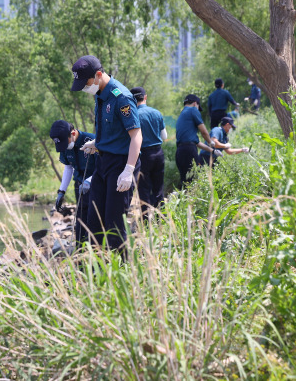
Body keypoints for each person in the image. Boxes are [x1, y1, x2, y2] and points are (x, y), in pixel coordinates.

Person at [70, 55, 142, 255]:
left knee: (114, 223)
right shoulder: (99, 94)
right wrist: (97, 143)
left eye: (86, 84)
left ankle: (121, 272)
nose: (85, 88)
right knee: (94, 220)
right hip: (103, 162)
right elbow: (108, 128)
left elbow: (136, 136)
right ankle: (96, 271)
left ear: (99, 75)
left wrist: (128, 170)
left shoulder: (122, 97)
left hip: (121, 164)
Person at [49, 120, 97, 246]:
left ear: (73, 133)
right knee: (80, 221)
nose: (65, 146)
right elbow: (68, 167)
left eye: (66, 142)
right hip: (80, 186)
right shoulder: (64, 146)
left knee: (94, 220)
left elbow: (103, 166)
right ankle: (80, 255)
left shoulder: (92, 140)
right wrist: (61, 191)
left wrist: (89, 181)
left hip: (97, 184)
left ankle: (96, 253)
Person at [130, 86, 167, 218]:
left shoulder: (133, 115)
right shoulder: (156, 113)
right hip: (158, 153)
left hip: (143, 155)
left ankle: (145, 221)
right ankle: (160, 218)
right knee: (158, 188)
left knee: (143, 189)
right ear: (145, 97)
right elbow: (164, 136)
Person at [175, 94, 214, 187]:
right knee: (193, 180)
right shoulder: (193, 110)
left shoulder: (182, 114)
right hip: (189, 151)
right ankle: (190, 200)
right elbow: (204, 132)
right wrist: (210, 142)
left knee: (185, 181)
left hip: (180, 151)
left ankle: (184, 200)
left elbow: (195, 142)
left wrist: (212, 150)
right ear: (195, 103)